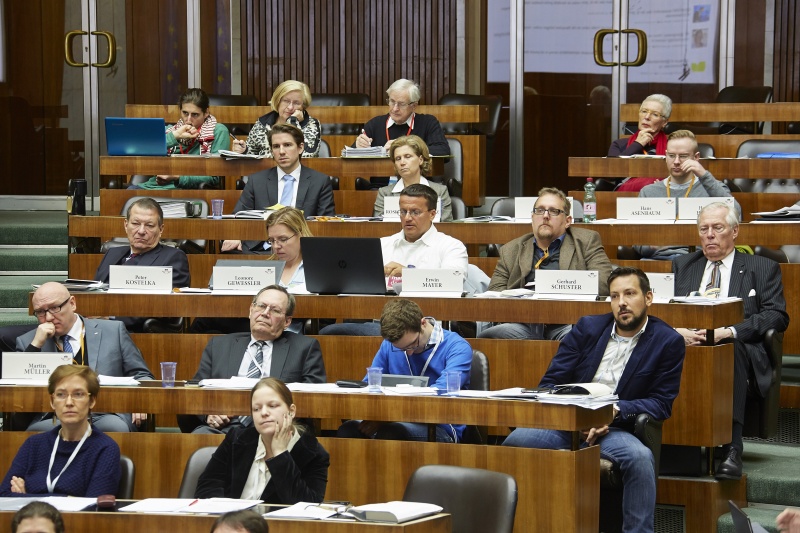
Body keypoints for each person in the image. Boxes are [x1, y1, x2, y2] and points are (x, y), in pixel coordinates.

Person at [503, 267, 686, 533]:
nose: (621, 302)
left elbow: (661, 403)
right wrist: (573, 415)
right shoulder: (588, 328)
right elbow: (550, 383)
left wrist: (613, 411)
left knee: (641, 459)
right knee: (514, 442)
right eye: (614, 296)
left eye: (629, 293)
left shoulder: (667, 341)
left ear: (648, 298)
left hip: (613, 428)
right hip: (567, 422)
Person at [673, 202, 789, 480]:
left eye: (717, 228)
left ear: (735, 231)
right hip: (688, 340)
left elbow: (777, 315)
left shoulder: (762, 267)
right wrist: (677, 330)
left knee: (729, 346)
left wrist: (731, 331)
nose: (710, 235)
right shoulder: (682, 266)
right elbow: (663, 308)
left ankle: (731, 448)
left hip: (738, 346)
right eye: (704, 229)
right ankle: (670, 443)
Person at [318, 183, 468, 336]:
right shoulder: (382, 245)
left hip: (424, 325)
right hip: (378, 322)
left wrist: (409, 274)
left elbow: (455, 279)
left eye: (415, 212)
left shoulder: (451, 246)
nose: (408, 218)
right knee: (330, 332)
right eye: (403, 212)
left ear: (432, 214)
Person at [178, 285, 326, 434]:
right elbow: (195, 391)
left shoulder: (304, 348)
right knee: (201, 435)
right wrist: (208, 414)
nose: (265, 313)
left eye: (274, 310)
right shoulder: (219, 345)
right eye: (261, 306)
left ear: (287, 321)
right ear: (250, 311)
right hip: (226, 426)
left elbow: (314, 399)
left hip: (276, 428)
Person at [16, 282, 154, 432]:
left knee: (116, 427)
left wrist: (141, 400)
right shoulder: (29, 342)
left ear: (72, 303)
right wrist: (36, 345)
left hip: (106, 413)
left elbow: (142, 375)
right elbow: (16, 392)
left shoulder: (113, 331)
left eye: (55, 308)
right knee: (36, 433)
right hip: (55, 416)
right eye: (40, 312)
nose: (48, 317)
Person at [479, 187, 613, 340]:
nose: (545, 216)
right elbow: (494, 294)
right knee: (488, 337)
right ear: (532, 217)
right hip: (523, 323)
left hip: (568, 322)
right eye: (540, 210)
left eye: (554, 211)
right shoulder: (511, 250)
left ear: (567, 221)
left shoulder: (587, 241)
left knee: (577, 338)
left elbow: (603, 283)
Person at [337, 299, 472, 442]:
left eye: (413, 344)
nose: (409, 353)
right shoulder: (389, 345)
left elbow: (439, 396)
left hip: (439, 425)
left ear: (423, 323)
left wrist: (388, 418)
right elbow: (371, 386)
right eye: (401, 349)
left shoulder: (457, 347)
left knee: (393, 432)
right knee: (349, 429)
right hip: (393, 420)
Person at [195, 377, 329, 504]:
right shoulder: (236, 439)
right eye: (256, 408)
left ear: (291, 411)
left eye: (272, 405)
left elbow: (307, 506)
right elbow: (207, 486)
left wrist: (281, 455)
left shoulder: (313, 453)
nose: (264, 413)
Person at [0, 365, 122, 497]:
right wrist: (68, 499)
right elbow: (4, 496)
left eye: (78, 394)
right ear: (52, 401)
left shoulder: (105, 449)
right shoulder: (33, 445)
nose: (69, 402)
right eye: (61, 395)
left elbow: (93, 507)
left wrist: (26, 498)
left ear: (91, 401)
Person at [190, 207, 312, 335]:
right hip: (260, 325)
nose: (276, 246)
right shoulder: (267, 268)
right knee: (208, 324)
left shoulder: (315, 268)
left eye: (283, 239)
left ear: (300, 234)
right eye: (272, 240)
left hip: (288, 330)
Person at [222, 123, 334, 254]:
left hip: (301, 250)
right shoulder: (256, 180)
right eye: (276, 146)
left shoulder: (319, 181)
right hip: (261, 249)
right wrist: (236, 236)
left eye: (287, 145)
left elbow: (326, 225)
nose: (281, 151)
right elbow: (238, 217)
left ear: (300, 148)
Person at [636, 130, 741, 260]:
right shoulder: (648, 192)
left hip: (701, 258)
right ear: (665, 155)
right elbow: (636, 240)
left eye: (683, 156)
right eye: (671, 155)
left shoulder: (712, 189)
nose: (676, 161)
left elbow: (737, 214)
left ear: (696, 158)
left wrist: (703, 174)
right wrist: (650, 246)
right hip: (658, 258)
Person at [94, 197, 190, 331]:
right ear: (126, 225)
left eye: (149, 225)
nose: (141, 231)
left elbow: (166, 305)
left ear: (161, 229)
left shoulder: (173, 258)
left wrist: (111, 318)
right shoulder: (112, 253)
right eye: (135, 223)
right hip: (95, 325)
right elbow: (96, 292)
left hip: (132, 330)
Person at [132, 88, 230, 189]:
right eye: (185, 113)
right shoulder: (171, 131)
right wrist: (175, 136)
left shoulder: (218, 131)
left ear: (206, 113)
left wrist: (177, 177)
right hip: (153, 187)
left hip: (186, 191)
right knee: (129, 194)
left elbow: (214, 177)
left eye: (195, 115)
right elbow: (142, 149)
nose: (188, 120)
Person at [354, 78, 450, 156]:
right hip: (380, 180)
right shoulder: (375, 124)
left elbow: (443, 150)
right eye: (392, 102)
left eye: (401, 104)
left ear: (414, 106)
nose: (395, 108)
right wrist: (358, 146)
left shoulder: (428, 123)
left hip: (416, 179)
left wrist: (407, 148)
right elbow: (351, 153)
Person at [231, 80, 321, 158]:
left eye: (296, 103)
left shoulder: (312, 125)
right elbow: (253, 154)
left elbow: (307, 155)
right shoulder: (263, 123)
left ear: (303, 106)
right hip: (265, 175)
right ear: (278, 101)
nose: (290, 107)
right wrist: (243, 151)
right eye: (286, 101)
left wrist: (293, 122)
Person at [373, 135, 453, 221]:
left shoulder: (440, 191)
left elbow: (446, 227)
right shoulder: (385, 193)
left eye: (407, 156)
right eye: (398, 158)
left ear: (420, 160)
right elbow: (379, 228)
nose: (402, 162)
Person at [608, 94, 672, 192]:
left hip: (664, 195)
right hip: (625, 196)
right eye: (644, 111)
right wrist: (638, 144)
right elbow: (610, 173)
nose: (646, 117)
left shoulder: (672, 147)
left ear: (664, 122)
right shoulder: (619, 144)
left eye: (655, 114)